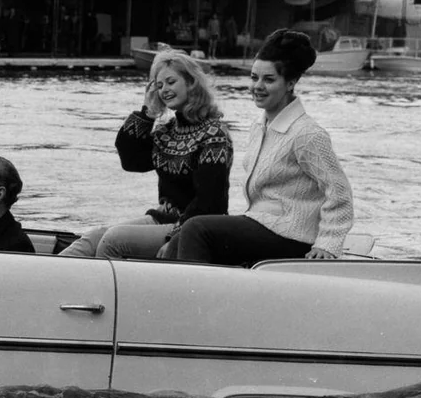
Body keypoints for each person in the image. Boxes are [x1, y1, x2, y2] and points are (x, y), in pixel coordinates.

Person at [168, 28, 354, 265]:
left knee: (197, 228)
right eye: (254, 77)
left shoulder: (306, 134)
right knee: (179, 238)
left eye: (269, 79)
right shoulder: (259, 126)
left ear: (291, 83)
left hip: (293, 236)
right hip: (261, 224)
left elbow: (340, 193)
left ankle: (198, 299)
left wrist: (327, 244)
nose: (257, 86)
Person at [61, 50, 233, 259]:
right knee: (93, 237)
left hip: (195, 228)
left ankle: (109, 291)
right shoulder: (167, 131)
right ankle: (46, 279)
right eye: (159, 86)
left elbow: (210, 202)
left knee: (114, 240)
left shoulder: (214, 134)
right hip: (162, 219)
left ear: (191, 83)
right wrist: (148, 112)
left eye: (171, 82)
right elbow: (131, 160)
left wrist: (175, 237)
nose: (164, 90)